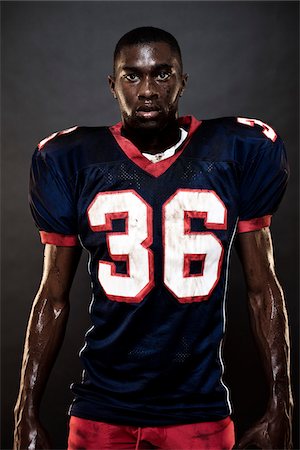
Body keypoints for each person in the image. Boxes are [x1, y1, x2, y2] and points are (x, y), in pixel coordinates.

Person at [14, 26, 293, 450]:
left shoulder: (235, 153)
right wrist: (25, 413)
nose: (147, 90)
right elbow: (52, 296)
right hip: (101, 407)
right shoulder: (71, 160)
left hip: (198, 409)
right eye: (132, 76)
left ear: (183, 81)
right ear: (113, 85)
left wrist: (282, 405)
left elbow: (261, 289)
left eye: (162, 75)